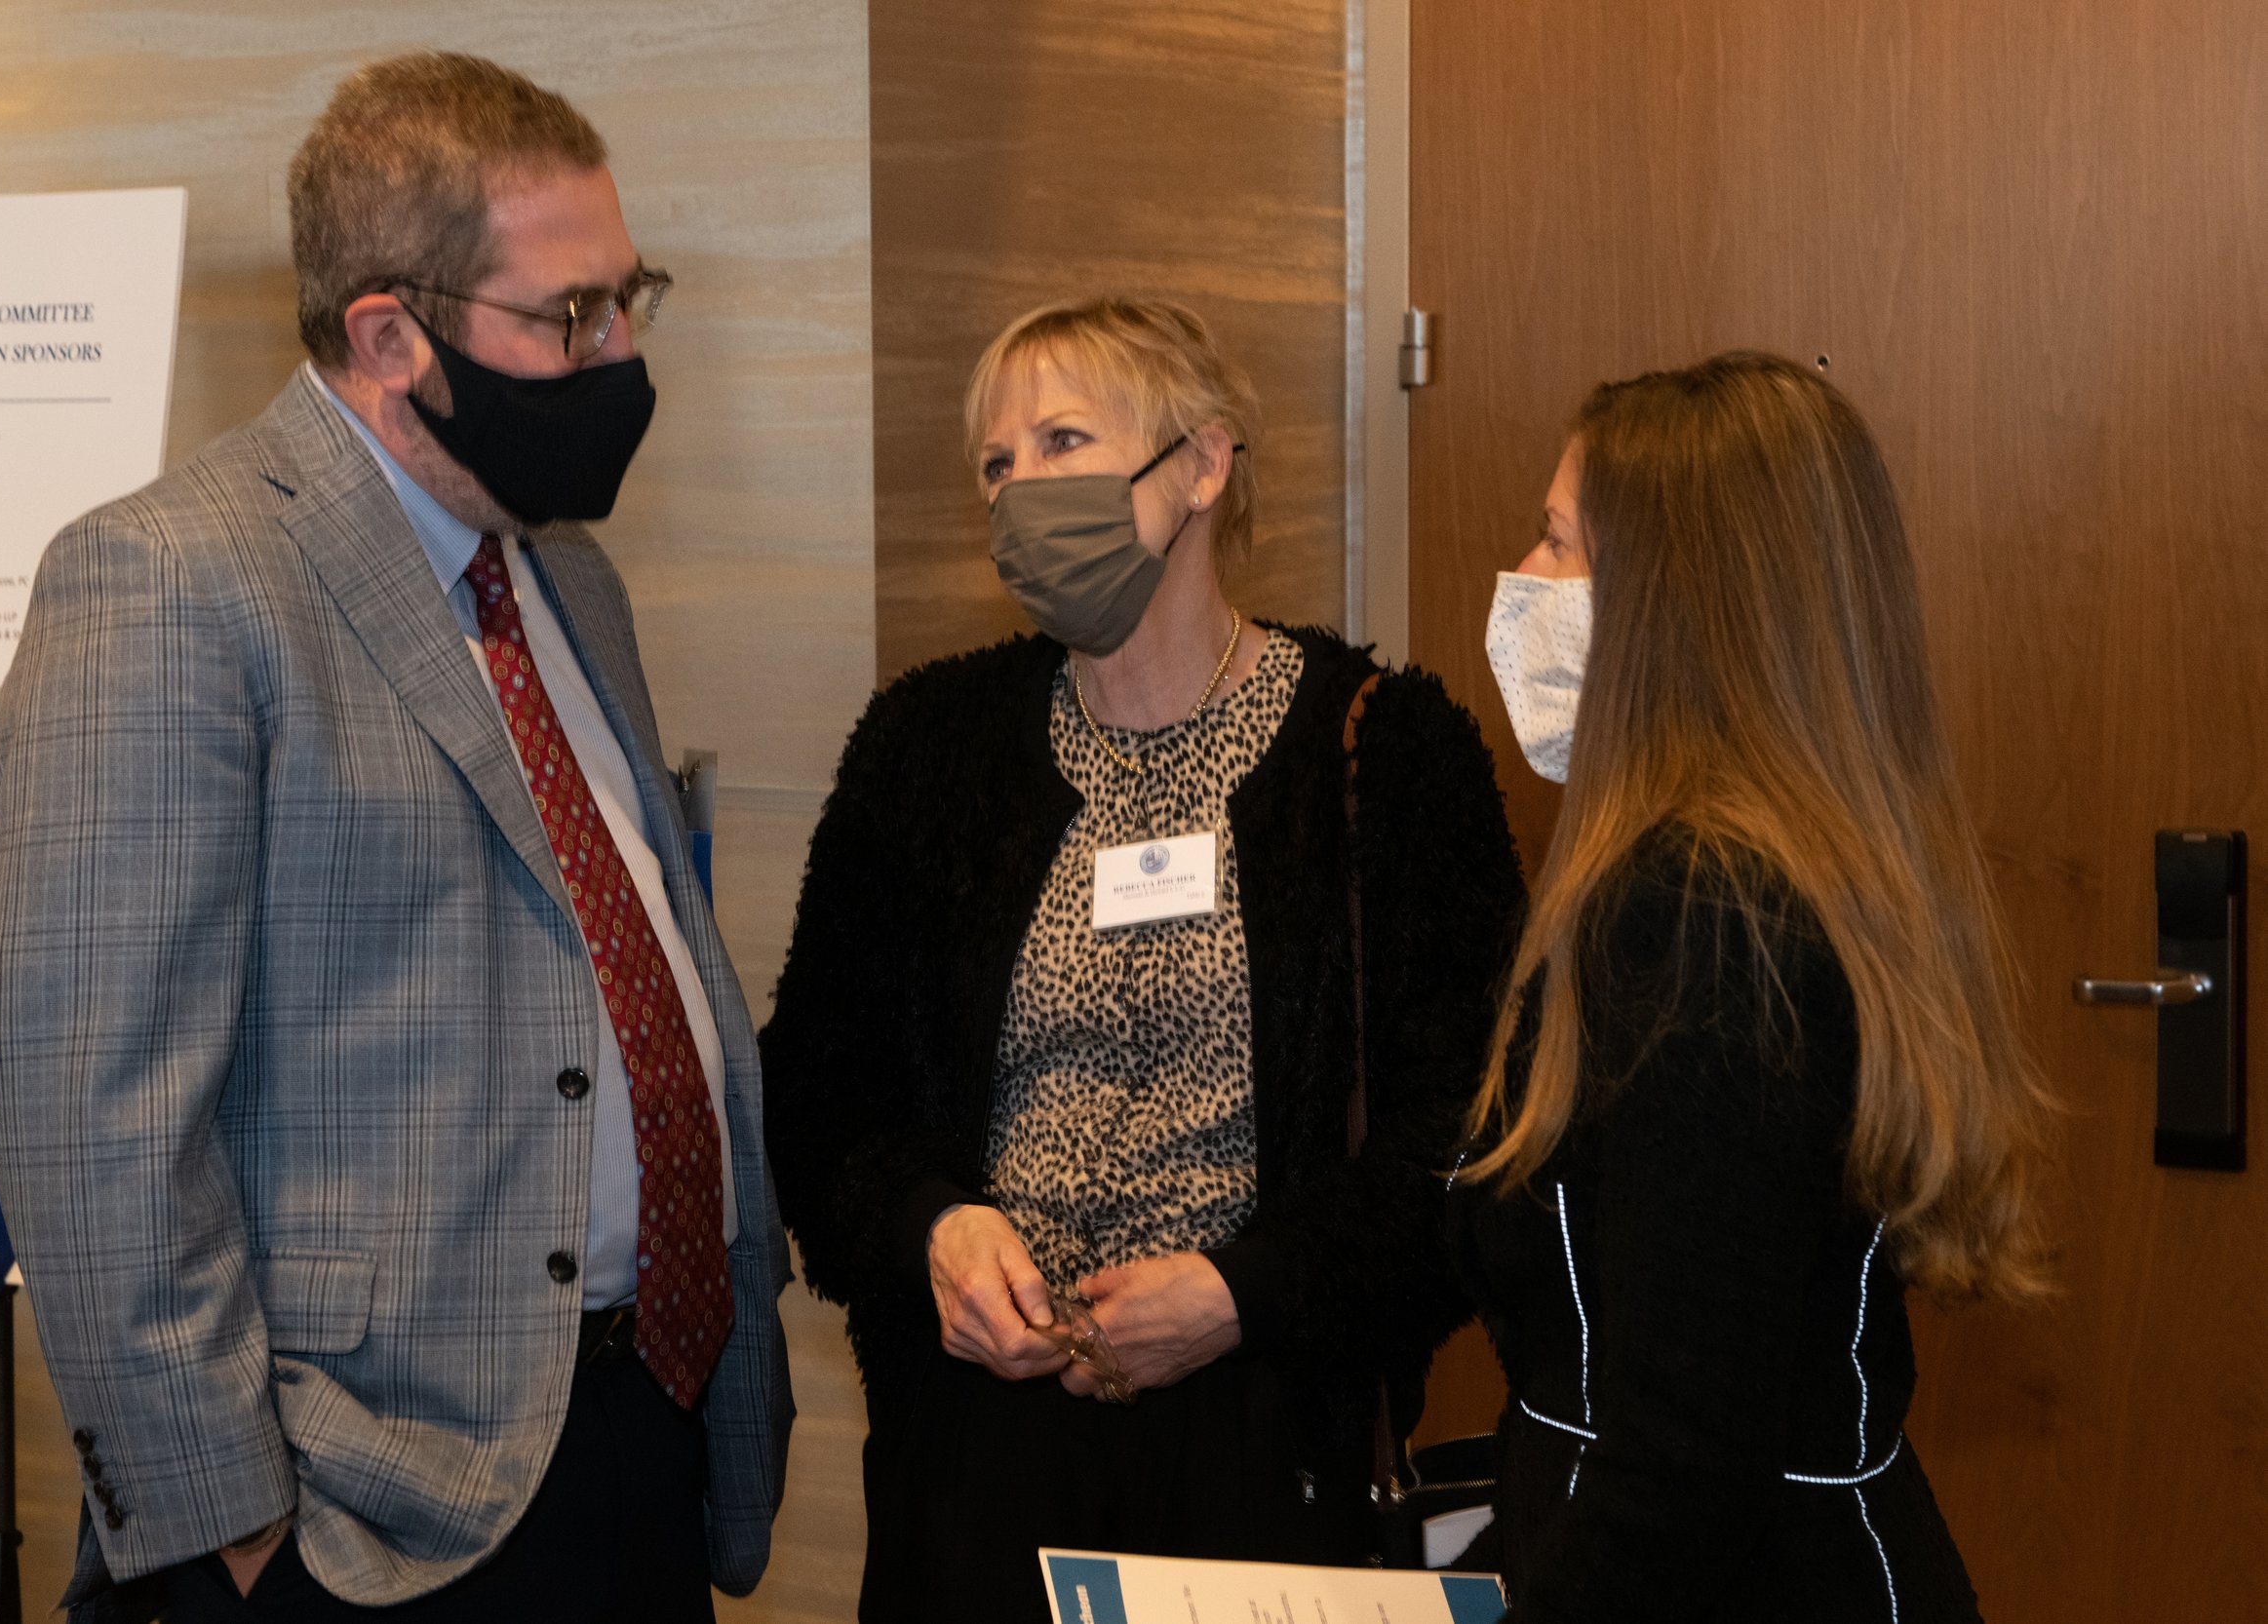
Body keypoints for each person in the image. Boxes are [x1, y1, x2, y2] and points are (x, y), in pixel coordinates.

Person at [0, 54, 791, 1624]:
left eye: (632, 298)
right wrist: (235, 1540)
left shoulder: (566, 584)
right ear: (386, 334)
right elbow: (95, 1122)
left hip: (628, 1445)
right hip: (350, 1525)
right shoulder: (167, 585)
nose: (620, 354)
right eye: (571, 316)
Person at [761, 295, 1526, 1621]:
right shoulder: (926, 754)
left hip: (1261, 1457)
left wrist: (1246, 1292)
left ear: (1203, 462)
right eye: (997, 465)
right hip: (980, 1465)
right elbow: (820, 1095)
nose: (1021, 491)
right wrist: (935, 1231)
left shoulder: (1384, 756)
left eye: (1063, 439)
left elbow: (1466, 1127)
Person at [1450, 351, 2054, 1622]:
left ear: (1678, 605)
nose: (1524, 582)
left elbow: (1679, 1474)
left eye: (1560, 546)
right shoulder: (1733, 873)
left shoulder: (1707, 918)